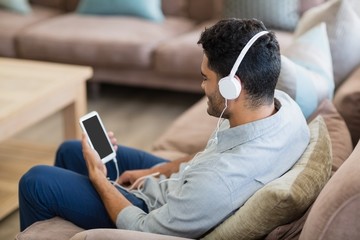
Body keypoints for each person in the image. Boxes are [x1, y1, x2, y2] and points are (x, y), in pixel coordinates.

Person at [19, 18, 310, 239]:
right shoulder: (283, 108)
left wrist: (99, 180)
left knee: (36, 182)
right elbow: (214, 156)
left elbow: (144, 227)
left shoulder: (220, 182)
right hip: (184, 183)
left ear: (232, 87)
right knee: (70, 150)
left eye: (205, 78)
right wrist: (154, 171)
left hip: (152, 210)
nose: (202, 87)